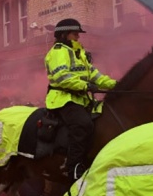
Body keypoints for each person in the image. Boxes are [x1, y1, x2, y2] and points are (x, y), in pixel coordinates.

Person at [44, 18, 116, 181]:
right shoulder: (58, 52)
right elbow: (62, 77)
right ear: (64, 35)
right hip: (63, 98)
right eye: (75, 34)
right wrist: (85, 86)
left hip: (81, 99)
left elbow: (95, 75)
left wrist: (116, 84)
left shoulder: (80, 53)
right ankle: (73, 167)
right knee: (82, 124)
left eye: (78, 34)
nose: (78, 37)